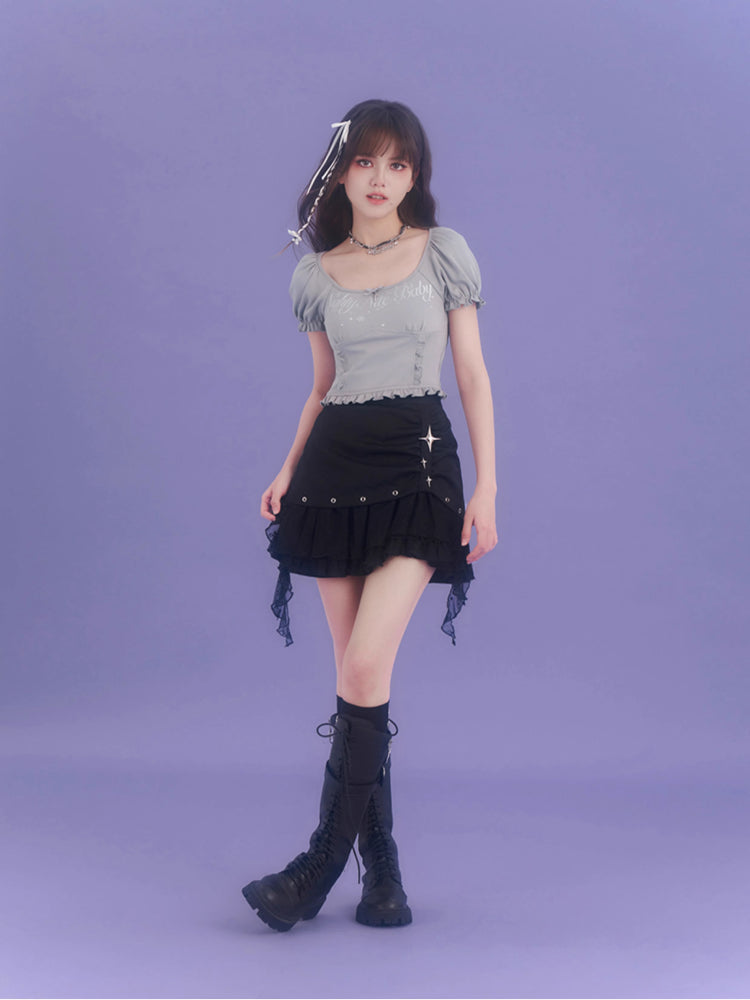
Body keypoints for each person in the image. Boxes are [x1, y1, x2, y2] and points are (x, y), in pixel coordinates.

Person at [242, 99, 497, 932]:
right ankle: (383, 871)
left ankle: (316, 870)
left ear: (414, 175)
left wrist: (488, 489)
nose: (380, 178)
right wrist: (286, 469)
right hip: (331, 477)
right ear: (341, 172)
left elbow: (472, 377)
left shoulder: (444, 253)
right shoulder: (315, 274)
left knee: (361, 669)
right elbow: (321, 388)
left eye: (397, 163)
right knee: (363, 681)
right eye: (365, 161)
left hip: (419, 469)